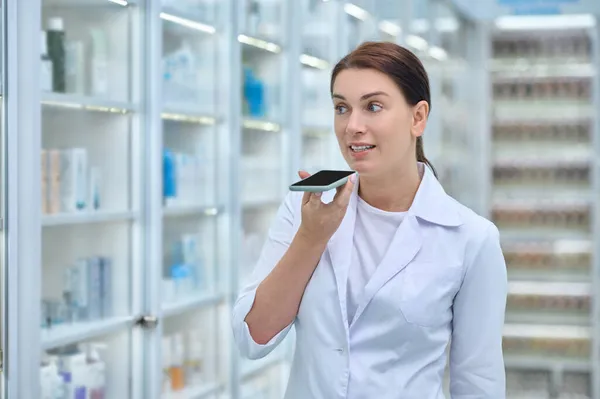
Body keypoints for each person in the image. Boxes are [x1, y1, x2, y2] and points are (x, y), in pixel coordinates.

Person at [232, 41, 508, 398]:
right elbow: (253, 337)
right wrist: (311, 238)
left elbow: (478, 382)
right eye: (341, 108)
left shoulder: (471, 239)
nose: (352, 126)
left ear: (418, 117)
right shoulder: (306, 210)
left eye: (373, 107)